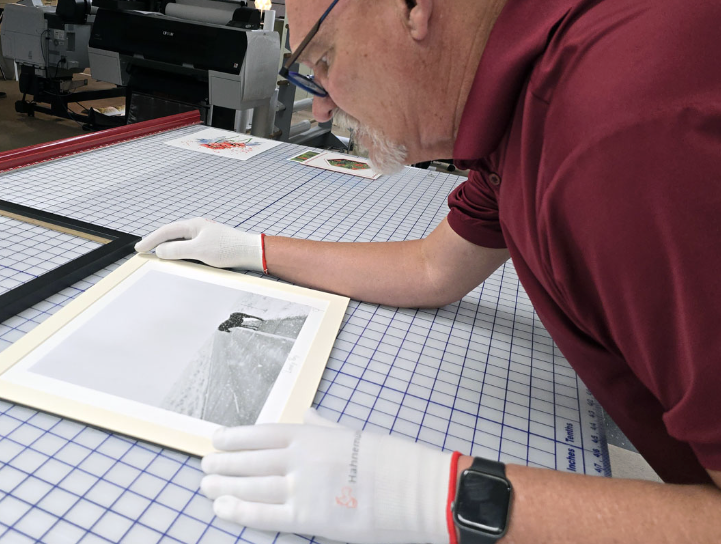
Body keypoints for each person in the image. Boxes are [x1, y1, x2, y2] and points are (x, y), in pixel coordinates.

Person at [133, 0, 721, 542]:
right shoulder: (528, 101)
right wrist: (251, 249)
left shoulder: (619, 140)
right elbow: (433, 268)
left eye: (324, 60)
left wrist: (431, 496)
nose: (319, 106)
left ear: (413, 6)